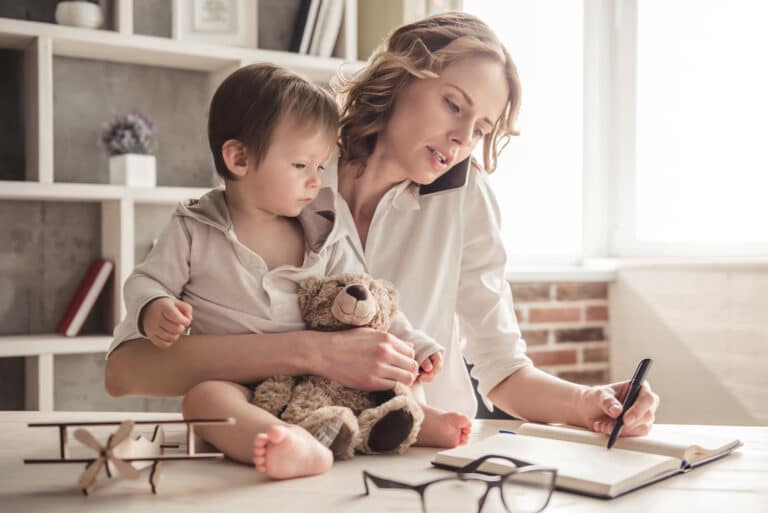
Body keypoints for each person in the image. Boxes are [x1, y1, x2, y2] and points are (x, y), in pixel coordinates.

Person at [106, 11, 657, 468]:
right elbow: (128, 369)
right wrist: (317, 353)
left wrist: (589, 402)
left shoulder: (467, 199)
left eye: (483, 128)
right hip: (290, 456)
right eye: (454, 105)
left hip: (424, 461)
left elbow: (504, 369)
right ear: (400, 76)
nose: (464, 139)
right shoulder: (295, 164)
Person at [106, 63, 464, 480]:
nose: (315, 182)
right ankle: (285, 442)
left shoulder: (323, 227)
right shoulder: (194, 227)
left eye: (320, 166)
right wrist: (155, 307)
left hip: (319, 384)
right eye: (301, 166)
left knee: (389, 377)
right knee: (201, 403)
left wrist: (416, 345)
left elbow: (367, 297)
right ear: (239, 157)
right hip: (237, 383)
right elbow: (145, 280)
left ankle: (417, 421)